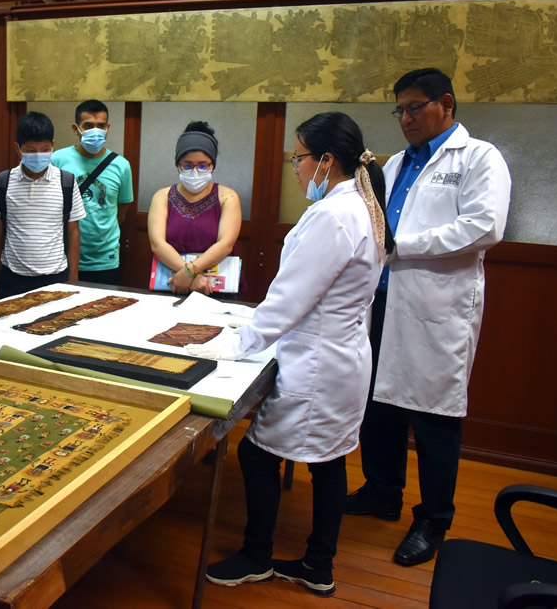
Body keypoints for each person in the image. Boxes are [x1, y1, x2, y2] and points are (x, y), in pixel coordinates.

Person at [187, 112, 393, 598]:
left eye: (298, 158)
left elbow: (288, 301)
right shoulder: (363, 205)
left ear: (326, 160)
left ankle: (257, 556)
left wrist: (230, 345)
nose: (295, 169)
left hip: (318, 366)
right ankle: (318, 565)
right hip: (343, 357)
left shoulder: (333, 216)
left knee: (256, 455)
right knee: (329, 461)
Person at [344, 68, 512, 567]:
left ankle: (434, 519)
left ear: (447, 104)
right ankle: (382, 493)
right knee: (379, 404)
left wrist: (403, 245)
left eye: (415, 107)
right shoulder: (396, 162)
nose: (405, 118)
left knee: (434, 416)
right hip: (383, 300)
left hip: (436, 308)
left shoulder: (479, 157)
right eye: (399, 110)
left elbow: (485, 226)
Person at [0, 111, 86, 298]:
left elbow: (73, 230)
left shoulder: (66, 181)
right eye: (31, 151)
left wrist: (73, 277)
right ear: (18, 148)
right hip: (12, 278)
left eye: (45, 149)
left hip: (55, 277)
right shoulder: (3, 181)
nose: (39, 155)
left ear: (53, 145)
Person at [147, 121, 242, 295]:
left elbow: (225, 244)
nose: (195, 171)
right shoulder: (162, 197)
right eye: (187, 165)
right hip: (172, 284)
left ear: (212, 165)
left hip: (213, 288)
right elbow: (158, 244)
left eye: (203, 165)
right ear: (178, 165)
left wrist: (189, 272)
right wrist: (190, 276)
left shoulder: (227, 197)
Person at [51, 99, 134, 285]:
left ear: (108, 128)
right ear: (75, 129)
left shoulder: (121, 165)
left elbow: (121, 212)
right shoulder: (56, 160)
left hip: (106, 259)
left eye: (101, 126)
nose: (95, 131)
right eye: (88, 126)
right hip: (63, 255)